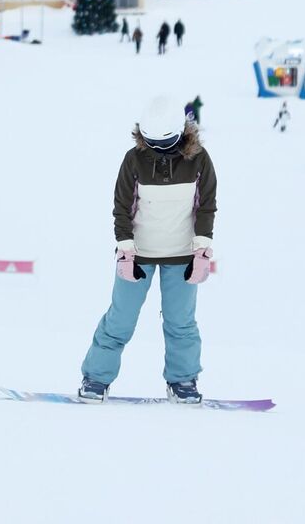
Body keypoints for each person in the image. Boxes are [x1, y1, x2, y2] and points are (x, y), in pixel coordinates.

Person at [78, 99, 218, 405]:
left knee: (180, 322)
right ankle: (96, 378)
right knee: (120, 319)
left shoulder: (200, 160)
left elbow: (206, 206)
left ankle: (183, 380)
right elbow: (122, 208)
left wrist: (201, 252)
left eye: (165, 144)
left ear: (180, 134)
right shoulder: (134, 160)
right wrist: (126, 251)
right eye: (153, 144)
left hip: (181, 257)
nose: (159, 150)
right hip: (138, 256)